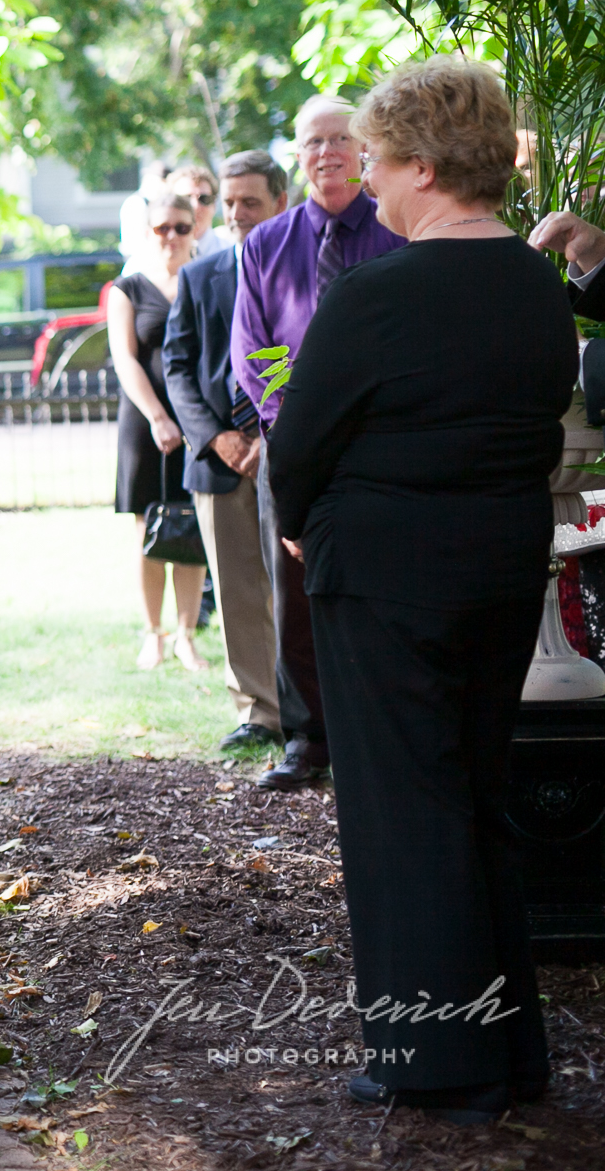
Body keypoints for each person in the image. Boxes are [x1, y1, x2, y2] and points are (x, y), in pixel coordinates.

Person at [269, 57, 563, 1122]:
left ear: (426, 168)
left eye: (384, 164)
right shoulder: (538, 285)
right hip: (497, 564)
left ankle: (435, 1058)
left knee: (405, 813)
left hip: (385, 576)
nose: (374, 185)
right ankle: (512, 1048)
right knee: (477, 796)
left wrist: (301, 526)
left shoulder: (376, 293)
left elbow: (296, 443)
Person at [231, 95, 405, 790]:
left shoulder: (397, 234)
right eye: (313, 142)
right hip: (293, 446)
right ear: (297, 156)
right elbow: (252, 350)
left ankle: (380, 727)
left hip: (382, 444)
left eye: (340, 139)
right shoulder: (265, 245)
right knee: (295, 592)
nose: (327, 152)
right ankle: (307, 738)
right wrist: (295, 418)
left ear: (363, 149)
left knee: (382, 584)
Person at [164, 150, 290, 750]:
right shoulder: (199, 275)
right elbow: (177, 367)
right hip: (218, 460)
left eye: (251, 202)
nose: (237, 213)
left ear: (280, 204)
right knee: (239, 589)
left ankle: (308, 708)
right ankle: (259, 713)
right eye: (230, 202)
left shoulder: (306, 271)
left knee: (295, 586)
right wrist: (218, 436)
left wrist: (272, 436)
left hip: (289, 453)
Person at [111, 191, 209, 671]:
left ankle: (188, 636)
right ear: (148, 232)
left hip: (198, 423)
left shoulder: (208, 280)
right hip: (145, 423)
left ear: (196, 229)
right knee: (148, 531)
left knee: (193, 530)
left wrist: (193, 422)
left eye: (181, 227)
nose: (171, 236)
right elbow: (126, 359)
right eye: (161, 228)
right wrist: (158, 418)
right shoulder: (126, 289)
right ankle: (153, 633)